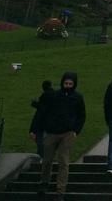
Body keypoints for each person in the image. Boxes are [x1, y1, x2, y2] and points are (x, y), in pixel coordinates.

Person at [33, 71, 86, 200]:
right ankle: (44, 183)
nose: (68, 85)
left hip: (68, 133)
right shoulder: (55, 95)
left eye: (70, 84)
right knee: (47, 160)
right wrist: (36, 127)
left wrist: (75, 131)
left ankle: (60, 190)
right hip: (52, 132)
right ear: (62, 83)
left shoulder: (78, 97)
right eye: (66, 83)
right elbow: (43, 111)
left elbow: (82, 115)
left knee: (63, 161)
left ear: (74, 84)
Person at [30, 80, 54, 158]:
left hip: (42, 126)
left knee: (41, 144)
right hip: (50, 126)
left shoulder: (44, 98)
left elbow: (39, 116)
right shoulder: (54, 97)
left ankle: (41, 158)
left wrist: (32, 130)